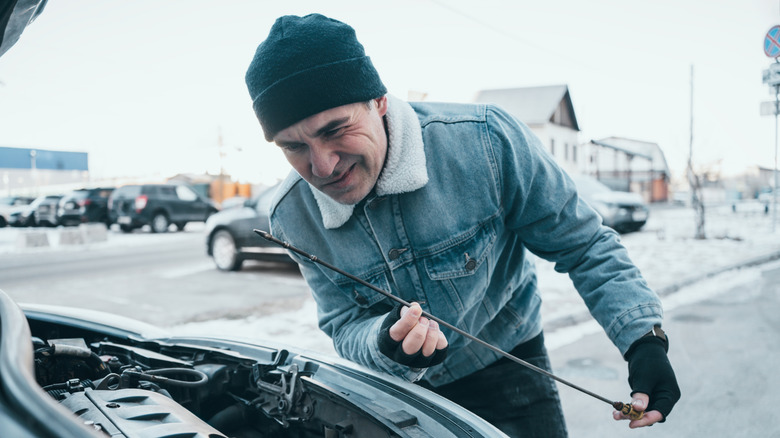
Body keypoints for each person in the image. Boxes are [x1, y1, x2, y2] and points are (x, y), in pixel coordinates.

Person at [244, 13, 680, 437]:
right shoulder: (291, 216)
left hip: (510, 364)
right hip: (398, 393)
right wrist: (383, 342)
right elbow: (343, 325)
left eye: (336, 129)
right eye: (293, 147)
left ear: (378, 101)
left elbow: (582, 244)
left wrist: (643, 339)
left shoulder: (486, 142)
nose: (322, 166)